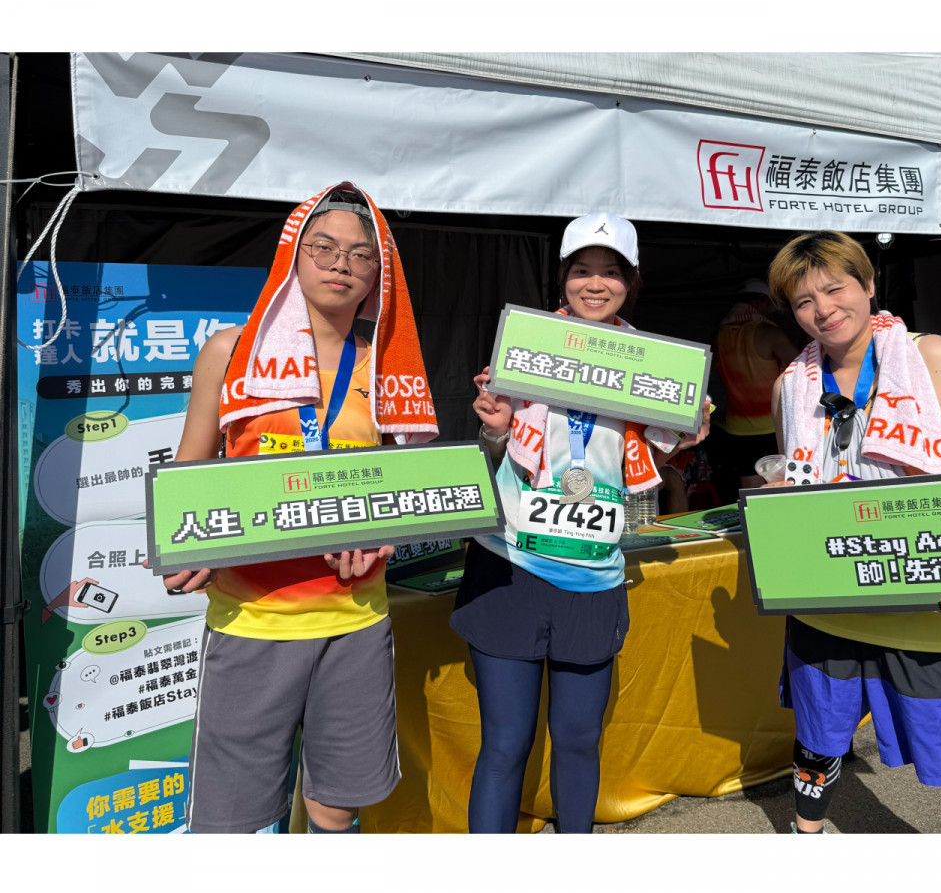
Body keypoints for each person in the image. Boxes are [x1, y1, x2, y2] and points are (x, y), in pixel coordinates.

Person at [156, 183, 439, 833]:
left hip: (356, 620)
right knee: (234, 820)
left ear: (378, 274)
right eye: (324, 247)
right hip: (254, 619)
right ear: (294, 254)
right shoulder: (232, 351)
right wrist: (183, 544)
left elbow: (403, 489)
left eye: (361, 254)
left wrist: (386, 531)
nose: (342, 264)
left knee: (336, 806)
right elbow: (192, 467)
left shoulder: (386, 366)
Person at [767, 230, 941, 834]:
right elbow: (795, 490)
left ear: (868, 285)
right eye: (804, 301)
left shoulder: (931, 358)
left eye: (835, 289)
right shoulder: (791, 384)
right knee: (816, 751)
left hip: (927, 610)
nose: (823, 309)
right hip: (826, 610)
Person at [456, 212, 709, 833]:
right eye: (582, 270)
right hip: (510, 564)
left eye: (611, 272)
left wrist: (685, 435)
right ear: (563, 278)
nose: (595, 284)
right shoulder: (524, 346)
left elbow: (648, 457)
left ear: (631, 283)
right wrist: (495, 429)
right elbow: (490, 454)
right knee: (505, 743)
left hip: (592, 575)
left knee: (577, 741)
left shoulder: (654, 367)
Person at [709, 280, 802, 501]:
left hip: (736, 427)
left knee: (749, 493)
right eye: (768, 304)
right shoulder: (768, 332)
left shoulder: (718, 336)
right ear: (760, 300)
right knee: (782, 490)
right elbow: (802, 367)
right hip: (771, 426)